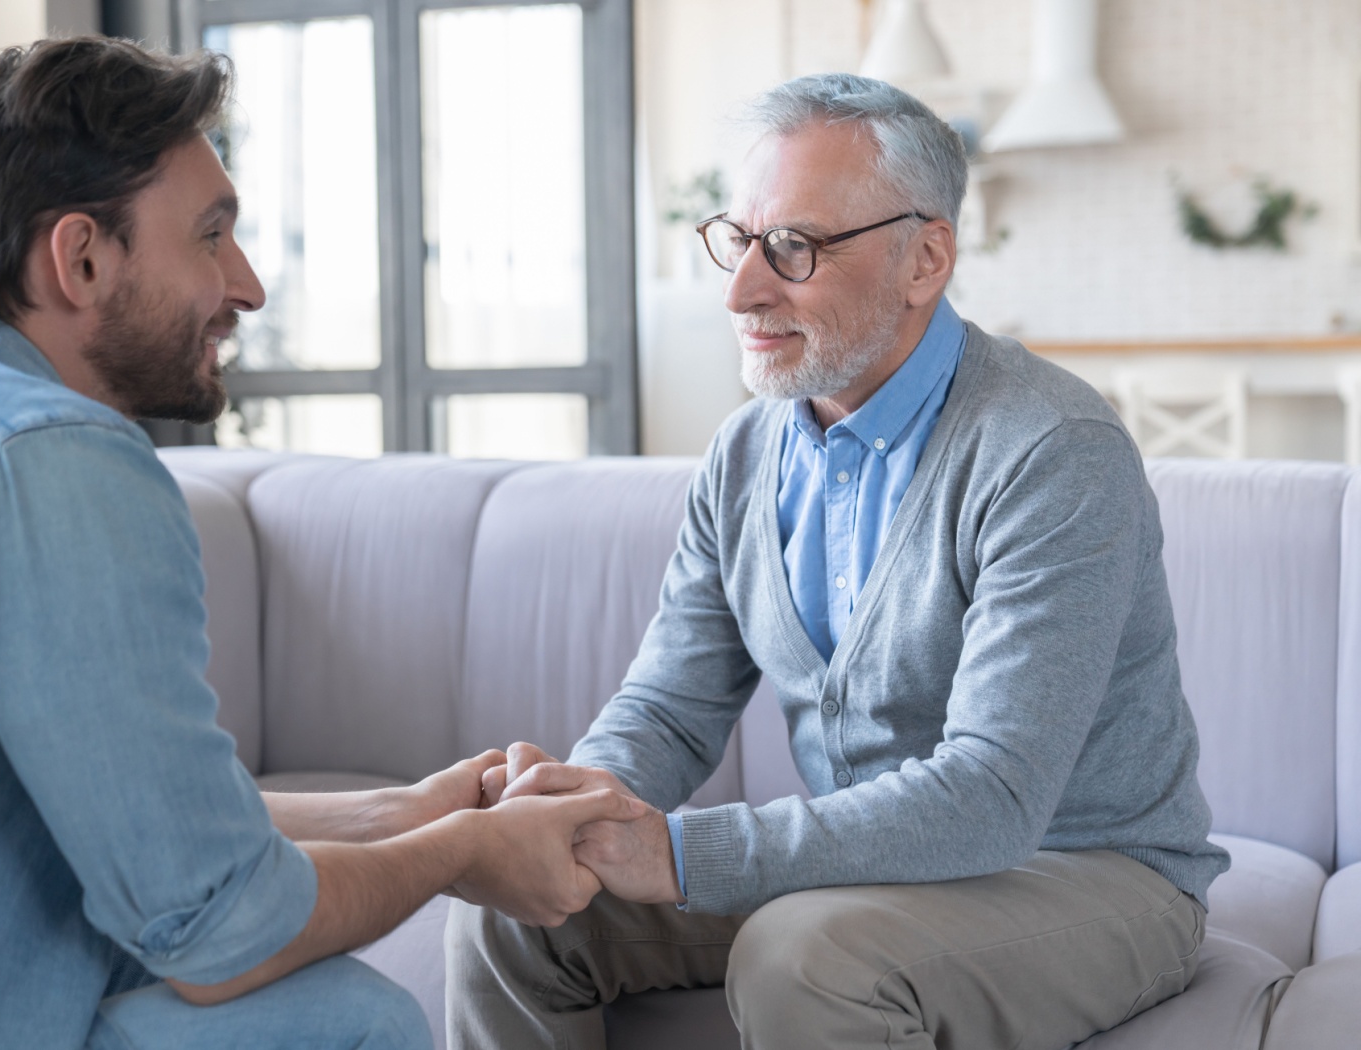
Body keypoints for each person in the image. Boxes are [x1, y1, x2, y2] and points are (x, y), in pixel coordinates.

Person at [0, 37, 644, 1050]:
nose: (249, 285)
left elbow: (154, 825)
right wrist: (461, 857)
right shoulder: (51, 458)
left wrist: (407, 812)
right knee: (346, 1024)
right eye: (211, 235)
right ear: (82, 258)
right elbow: (219, 934)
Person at [447, 73, 1231, 1050]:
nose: (740, 290)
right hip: (877, 870)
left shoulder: (1051, 450)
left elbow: (991, 797)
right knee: (510, 912)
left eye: (793, 247)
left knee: (804, 955)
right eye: (737, 240)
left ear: (924, 258)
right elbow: (669, 707)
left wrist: (682, 853)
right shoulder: (743, 454)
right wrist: (574, 814)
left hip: (1086, 872)